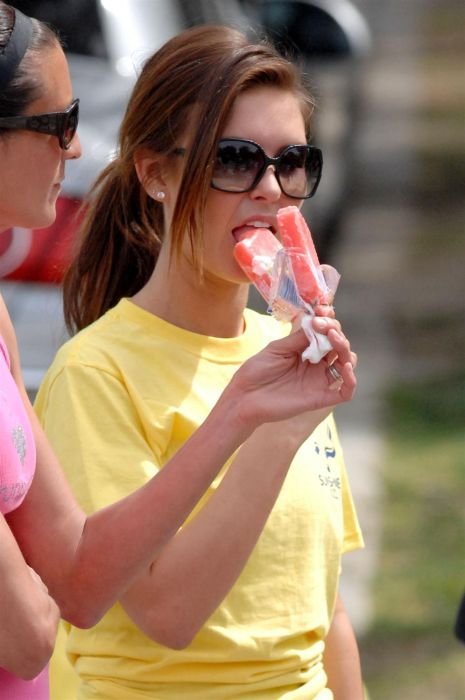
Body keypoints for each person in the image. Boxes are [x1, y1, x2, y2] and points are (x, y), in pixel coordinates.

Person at [0, 5, 357, 699]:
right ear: (155, 174)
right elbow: (157, 613)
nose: (268, 188)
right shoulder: (97, 371)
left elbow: (322, 614)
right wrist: (266, 428)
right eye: (234, 160)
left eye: (293, 163)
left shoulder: (281, 357)